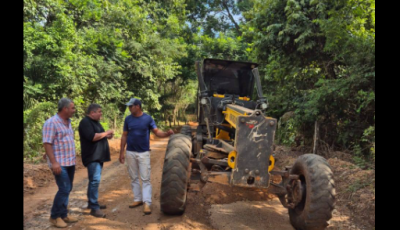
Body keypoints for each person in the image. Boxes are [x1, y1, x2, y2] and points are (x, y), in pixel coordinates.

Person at [119, 98, 174, 215]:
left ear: (138, 106)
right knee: (133, 177)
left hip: (143, 153)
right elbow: (124, 136)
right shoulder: (128, 119)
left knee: (145, 179)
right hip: (130, 152)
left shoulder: (147, 119)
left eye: (131, 106)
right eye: (128, 106)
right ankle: (138, 199)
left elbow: (157, 132)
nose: (129, 108)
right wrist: (121, 152)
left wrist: (166, 134)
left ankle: (147, 203)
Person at [43, 98, 79, 228]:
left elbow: (57, 141)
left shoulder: (68, 122)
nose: (74, 110)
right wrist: (53, 162)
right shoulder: (51, 123)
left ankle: (63, 215)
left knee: (67, 188)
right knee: (64, 189)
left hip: (70, 161)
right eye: (72, 108)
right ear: (65, 109)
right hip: (59, 163)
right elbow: (47, 143)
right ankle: (54, 216)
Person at [78, 104, 114, 218]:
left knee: (93, 180)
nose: (101, 113)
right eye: (99, 111)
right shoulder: (85, 122)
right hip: (92, 157)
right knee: (94, 181)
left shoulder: (96, 123)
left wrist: (108, 136)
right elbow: (92, 137)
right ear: (92, 113)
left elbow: (100, 135)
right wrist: (106, 133)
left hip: (98, 156)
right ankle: (94, 207)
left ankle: (92, 203)